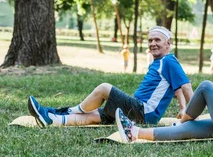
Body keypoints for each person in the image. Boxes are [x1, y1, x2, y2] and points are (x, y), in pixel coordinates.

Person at [28, 26, 193, 127]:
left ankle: (65, 110)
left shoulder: (169, 60)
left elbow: (186, 86)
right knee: (95, 116)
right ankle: (51, 118)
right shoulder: (160, 62)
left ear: (168, 43)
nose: (152, 44)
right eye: (150, 40)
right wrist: (182, 108)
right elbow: (177, 87)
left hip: (143, 112)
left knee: (104, 88)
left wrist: (193, 114)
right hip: (136, 112)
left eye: (157, 40)